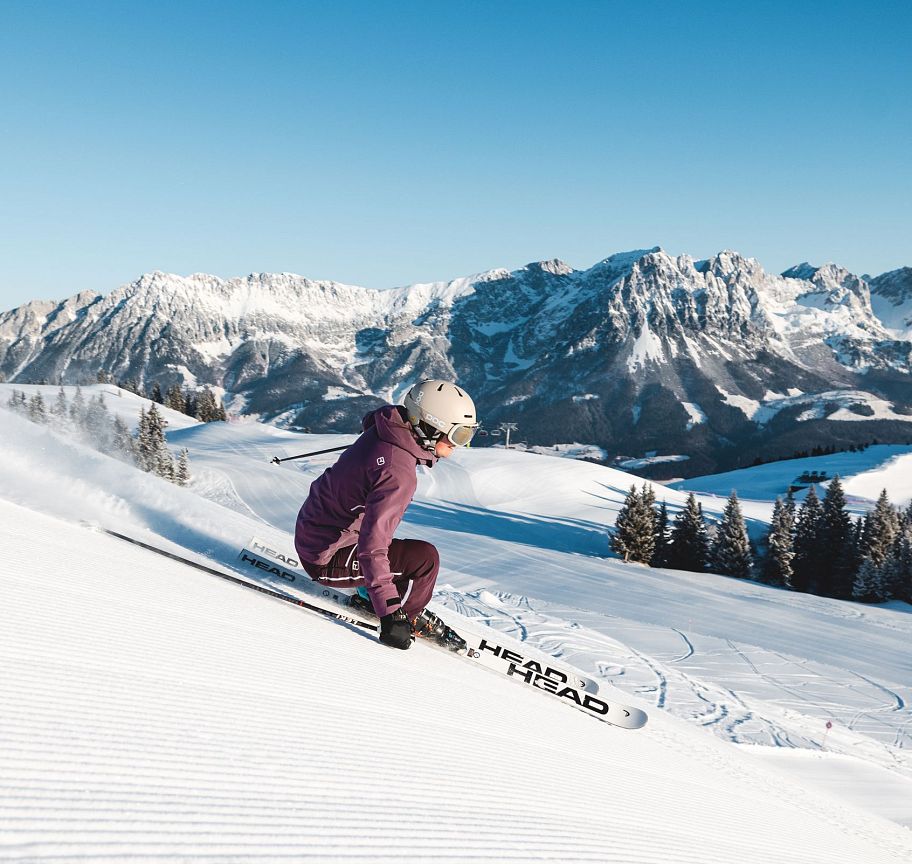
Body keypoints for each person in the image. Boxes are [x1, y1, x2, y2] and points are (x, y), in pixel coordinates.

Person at [293, 379, 479, 651]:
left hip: (317, 532)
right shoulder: (397, 472)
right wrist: (390, 613)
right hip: (324, 557)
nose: (459, 445)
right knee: (424, 561)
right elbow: (372, 547)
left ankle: (373, 594)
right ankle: (406, 617)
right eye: (458, 435)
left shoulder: (386, 430)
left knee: (406, 555)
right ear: (430, 426)